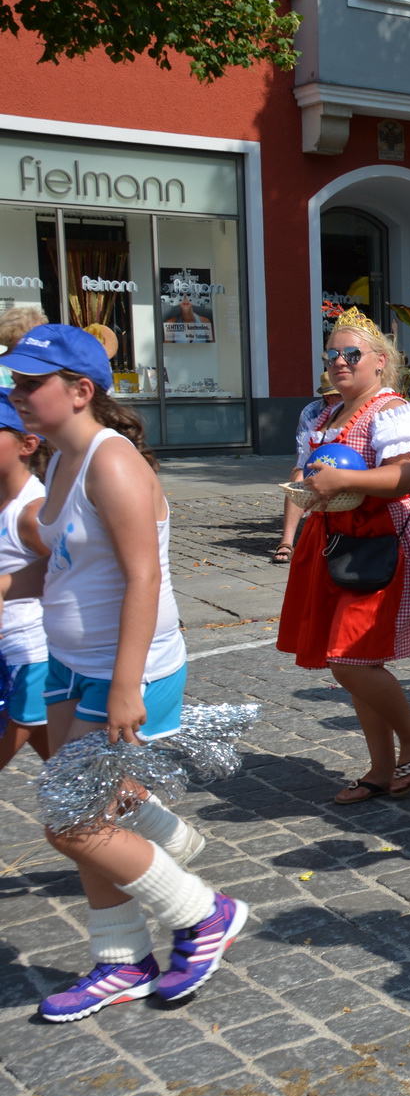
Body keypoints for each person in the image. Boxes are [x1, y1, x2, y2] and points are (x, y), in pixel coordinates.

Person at [0, 325, 245, 1020]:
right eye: (14, 382)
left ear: (81, 391)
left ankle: (203, 912)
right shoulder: (58, 463)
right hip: (73, 663)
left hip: (127, 668)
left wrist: (126, 684)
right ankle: (121, 959)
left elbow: (146, 576)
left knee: (69, 821)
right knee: (81, 810)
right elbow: (64, 564)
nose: (16, 393)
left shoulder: (113, 463)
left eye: (29, 383)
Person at [277, 308, 410, 803]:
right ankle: (379, 767)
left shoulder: (390, 409)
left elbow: (406, 477)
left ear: (380, 362)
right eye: (332, 355)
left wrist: (344, 479)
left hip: (381, 540)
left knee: (349, 658)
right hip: (336, 540)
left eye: (352, 354)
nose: (340, 362)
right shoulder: (327, 414)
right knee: (357, 660)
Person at [0, 390, 49, 770]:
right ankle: (144, 812)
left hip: (31, 657)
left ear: (26, 444)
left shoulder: (32, 513)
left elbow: (69, 575)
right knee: (65, 762)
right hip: (7, 656)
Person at [274, 372, 342, 564]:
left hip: (348, 467)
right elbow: (302, 455)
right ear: (328, 396)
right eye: (339, 394)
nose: (345, 396)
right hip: (314, 462)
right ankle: (286, 542)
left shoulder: (358, 406)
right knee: (297, 479)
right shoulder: (312, 412)